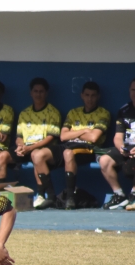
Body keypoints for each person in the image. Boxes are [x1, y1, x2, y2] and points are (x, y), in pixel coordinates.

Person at [30, 81, 110, 210]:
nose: (90, 99)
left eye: (93, 95)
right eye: (87, 95)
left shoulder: (103, 113)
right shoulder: (73, 113)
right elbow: (63, 136)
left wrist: (73, 133)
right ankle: (50, 197)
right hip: (67, 145)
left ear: (98, 96)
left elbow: (94, 137)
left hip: (88, 149)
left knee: (68, 153)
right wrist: (84, 131)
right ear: (82, 96)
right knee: (37, 154)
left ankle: (70, 197)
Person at [0, 78, 61, 207]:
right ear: (31, 93)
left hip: (42, 148)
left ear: (46, 93)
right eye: (35, 91)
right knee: (2, 156)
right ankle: (0, 195)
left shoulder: (53, 112)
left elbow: (50, 138)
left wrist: (30, 148)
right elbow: (19, 136)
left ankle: (42, 195)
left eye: (41, 91)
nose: (38, 94)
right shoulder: (25, 113)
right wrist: (20, 146)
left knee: (36, 154)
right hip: (25, 148)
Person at [98, 78, 135, 210]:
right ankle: (119, 195)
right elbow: (118, 137)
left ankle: (134, 196)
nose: (134, 93)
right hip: (127, 148)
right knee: (104, 160)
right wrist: (121, 148)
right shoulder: (124, 110)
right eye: (133, 90)